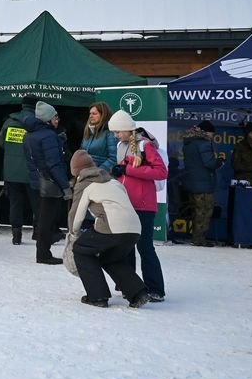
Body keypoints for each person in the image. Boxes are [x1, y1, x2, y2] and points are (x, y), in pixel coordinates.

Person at [66, 149, 150, 308]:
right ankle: (138, 293)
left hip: (112, 226)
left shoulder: (84, 184)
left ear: (76, 171)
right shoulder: (112, 181)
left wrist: (73, 234)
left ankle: (97, 296)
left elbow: (76, 214)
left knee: (81, 250)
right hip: (134, 228)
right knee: (112, 258)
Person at [108, 109, 168, 301]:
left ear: (127, 128)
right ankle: (129, 284)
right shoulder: (121, 145)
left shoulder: (145, 145)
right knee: (125, 247)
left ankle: (156, 289)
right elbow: (126, 173)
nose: (116, 135)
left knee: (145, 247)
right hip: (126, 203)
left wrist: (127, 170)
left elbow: (161, 172)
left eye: (118, 131)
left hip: (143, 205)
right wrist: (118, 173)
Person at [22, 101, 69, 265]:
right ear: (47, 119)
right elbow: (54, 164)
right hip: (50, 183)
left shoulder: (29, 135)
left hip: (36, 182)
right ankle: (43, 254)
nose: (58, 120)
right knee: (47, 220)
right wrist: (65, 186)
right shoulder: (48, 136)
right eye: (55, 117)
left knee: (42, 218)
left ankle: (42, 252)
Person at [0, 95, 38, 245]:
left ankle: (16, 236)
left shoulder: (9, 122)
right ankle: (37, 233)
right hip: (32, 171)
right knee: (37, 203)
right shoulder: (38, 123)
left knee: (15, 203)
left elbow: (2, 143)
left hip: (11, 171)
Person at [182, 120, 221, 246]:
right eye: (212, 134)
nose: (213, 136)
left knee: (195, 211)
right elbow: (210, 163)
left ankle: (195, 237)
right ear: (207, 132)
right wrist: (220, 162)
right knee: (204, 212)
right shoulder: (204, 144)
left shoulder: (188, 143)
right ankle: (199, 239)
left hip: (191, 183)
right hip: (203, 184)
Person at [81, 101, 117, 170]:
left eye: (94, 114)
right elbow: (81, 152)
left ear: (103, 115)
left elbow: (114, 158)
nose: (91, 116)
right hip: (87, 173)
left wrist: (98, 172)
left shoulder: (110, 132)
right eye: (90, 113)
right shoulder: (88, 131)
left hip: (102, 174)